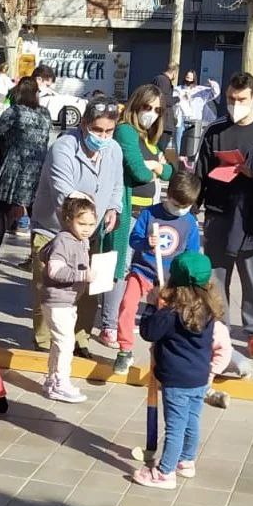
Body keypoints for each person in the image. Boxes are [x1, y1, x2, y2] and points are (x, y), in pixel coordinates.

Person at [196, 71, 253, 360]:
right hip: (218, 213)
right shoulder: (215, 130)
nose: (235, 104)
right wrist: (188, 206)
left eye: (241, 99)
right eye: (230, 99)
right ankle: (218, 330)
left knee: (252, 278)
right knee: (216, 278)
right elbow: (199, 172)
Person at [31, 99, 122, 357]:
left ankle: (79, 340)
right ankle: (43, 344)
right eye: (97, 130)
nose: (103, 136)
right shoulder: (63, 148)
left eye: (108, 131)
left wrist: (113, 208)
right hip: (54, 229)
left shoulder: (114, 150)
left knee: (88, 291)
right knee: (48, 287)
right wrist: (81, 227)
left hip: (91, 232)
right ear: (83, 124)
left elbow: (116, 184)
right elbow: (65, 196)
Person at [132, 251, 223, 490]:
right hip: (199, 377)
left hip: (176, 381)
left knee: (175, 426)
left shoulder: (172, 315)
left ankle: (165, 472)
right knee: (192, 420)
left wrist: (152, 306)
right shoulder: (209, 310)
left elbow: (148, 332)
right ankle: (186, 461)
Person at [99, 84, 173, 349]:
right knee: (118, 269)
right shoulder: (125, 131)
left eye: (156, 109)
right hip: (126, 211)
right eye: (147, 107)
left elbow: (171, 172)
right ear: (136, 105)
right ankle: (108, 325)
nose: (151, 113)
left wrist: (156, 166)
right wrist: (154, 165)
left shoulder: (148, 139)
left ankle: (122, 319)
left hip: (147, 213)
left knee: (136, 271)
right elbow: (139, 173)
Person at [113, 171, 202, 375]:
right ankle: (125, 350)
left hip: (170, 279)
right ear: (167, 195)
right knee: (127, 303)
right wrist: (145, 242)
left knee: (167, 316)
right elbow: (133, 240)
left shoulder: (189, 223)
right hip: (143, 270)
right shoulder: (149, 214)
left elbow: (192, 254)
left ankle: (164, 354)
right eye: (176, 205)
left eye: (185, 207)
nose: (180, 210)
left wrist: (185, 279)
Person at [0, 76, 52, 268]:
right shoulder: (45, 114)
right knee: (35, 214)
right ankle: (36, 258)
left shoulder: (15, 112)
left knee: (1, 210)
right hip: (37, 168)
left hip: (14, 167)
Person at [40, 194, 98, 403]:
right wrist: (81, 275)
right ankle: (61, 382)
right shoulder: (64, 240)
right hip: (58, 300)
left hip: (68, 300)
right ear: (67, 219)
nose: (87, 228)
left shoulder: (80, 240)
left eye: (92, 224)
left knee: (60, 342)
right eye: (82, 223)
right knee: (65, 342)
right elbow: (55, 270)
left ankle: (53, 379)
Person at [175, 70, 221, 151]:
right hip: (181, 119)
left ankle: (191, 161)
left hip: (194, 120)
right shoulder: (178, 89)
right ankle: (179, 159)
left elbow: (215, 93)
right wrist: (182, 97)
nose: (188, 80)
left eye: (190, 78)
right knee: (179, 144)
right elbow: (173, 100)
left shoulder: (200, 90)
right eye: (187, 77)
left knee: (193, 144)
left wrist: (213, 84)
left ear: (194, 79)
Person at [152, 62, 178, 146]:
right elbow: (166, 100)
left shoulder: (157, 78)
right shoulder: (164, 81)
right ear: (174, 72)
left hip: (158, 119)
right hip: (163, 122)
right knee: (161, 147)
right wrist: (179, 98)